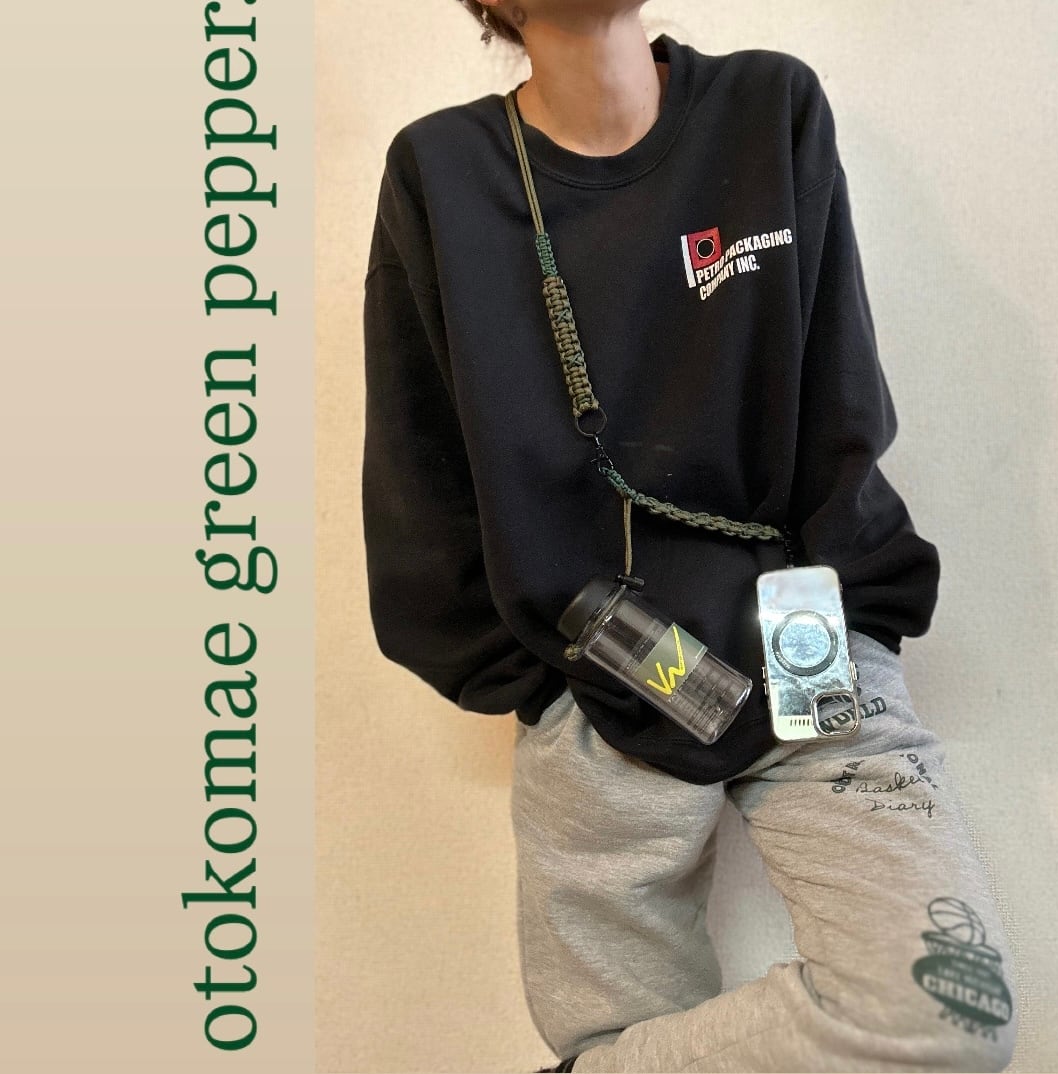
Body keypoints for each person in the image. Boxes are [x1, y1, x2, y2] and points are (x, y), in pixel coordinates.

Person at [361, 2, 1018, 1070]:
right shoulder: (442, 169)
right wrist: (544, 682)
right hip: (596, 671)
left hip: (807, 638)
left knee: (945, 1014)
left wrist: (852, 617)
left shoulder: (769, 106)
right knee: (615, 1042)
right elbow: (416, 469)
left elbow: (841, 398)